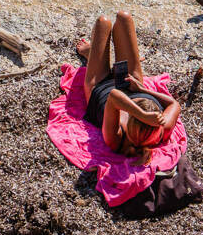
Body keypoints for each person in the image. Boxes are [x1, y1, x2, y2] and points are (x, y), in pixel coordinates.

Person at [76, 11, 181, 163]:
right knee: (124, 17)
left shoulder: (117, 138)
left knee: (103, 22)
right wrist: (141, 90)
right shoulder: (161, 129)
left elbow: (114, 96)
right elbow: (174, 104)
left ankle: (91, 55)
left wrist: (142, 114)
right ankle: (94, 56)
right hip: (131, 81)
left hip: (100, 86)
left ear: (133, 117)